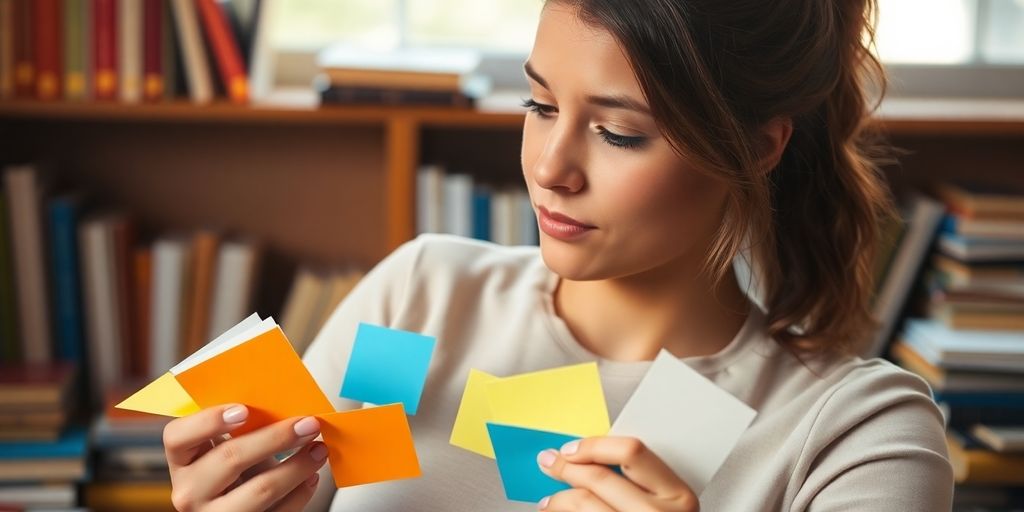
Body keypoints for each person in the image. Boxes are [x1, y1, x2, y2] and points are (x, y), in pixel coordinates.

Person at [161, 0, 955, 510]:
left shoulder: (851, 436)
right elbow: (313, 478)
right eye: (539, 105)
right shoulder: (421, 302)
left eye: (618, 132)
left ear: (757, 147)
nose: (548, 169)